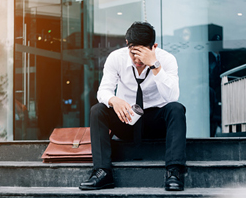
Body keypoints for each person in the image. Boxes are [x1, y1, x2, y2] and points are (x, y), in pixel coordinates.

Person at [79, 22, 187, 191]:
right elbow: (103, 91)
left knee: (176, 109)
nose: (137, 60)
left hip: (155, 122)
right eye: (133, 53)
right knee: (98, 110)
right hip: (127, 120)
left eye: (141, 54)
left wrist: (155, 65)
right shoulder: (116, 58)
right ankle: (102, 172)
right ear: (127, 44)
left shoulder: (167, 60)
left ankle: (174, 172)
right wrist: (115, 100)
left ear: (154, 47)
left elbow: (172, 97)